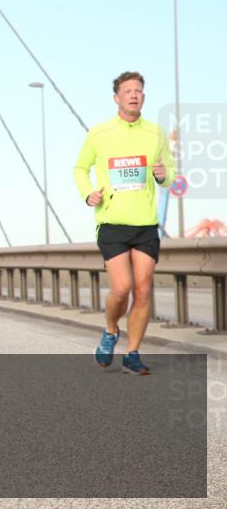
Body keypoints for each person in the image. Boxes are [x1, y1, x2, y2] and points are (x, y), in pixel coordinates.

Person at [74, 71, 175, 376]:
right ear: (116, 97)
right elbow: (80, 167)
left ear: (143, 97)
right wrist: (87, 193)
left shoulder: (155, 133)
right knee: (122, 288)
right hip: (112, 222)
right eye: (128, 90)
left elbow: (169, 173)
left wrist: (161, 174)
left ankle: (132, 354)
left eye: (139, 90)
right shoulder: (99, 133)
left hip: (145, 224)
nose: (134, 94)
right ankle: (109, 330)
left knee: (143, 291)